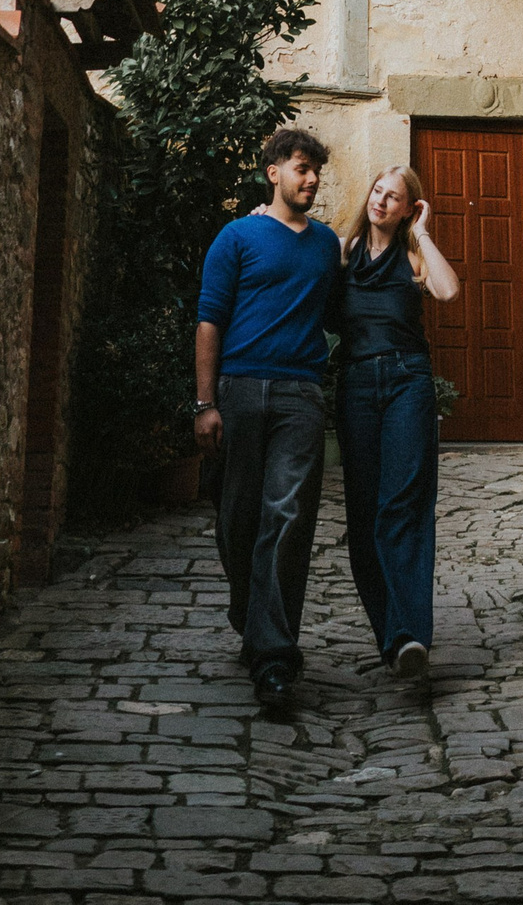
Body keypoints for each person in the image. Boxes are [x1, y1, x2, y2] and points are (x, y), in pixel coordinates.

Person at [193, 127, 340, 706]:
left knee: (287, 516)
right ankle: (250, 612)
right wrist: (205, 404)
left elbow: (341, 309)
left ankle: (275, 657)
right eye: (302, 168)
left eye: (316, 171)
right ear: (273, 173)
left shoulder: (326, 244)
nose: (312, 179)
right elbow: (209, 320)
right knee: (236, 518)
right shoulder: (236, 236)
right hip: (238, 392)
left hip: (300, 396)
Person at [334, 163, 460, 681]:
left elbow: (448, 291)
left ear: (409, 208)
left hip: (408, 383)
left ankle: (410, 636)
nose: (381, 201)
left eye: (394, 197)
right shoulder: (341, 253)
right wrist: (260, 218)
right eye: (377, 191)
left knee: (402, 506)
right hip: (356, 386)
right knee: (364, 515)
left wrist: (423, 232)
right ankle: (393, 637)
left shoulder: (413, 255)